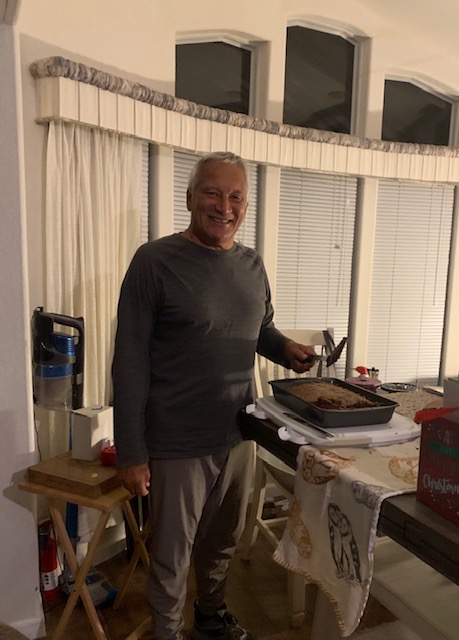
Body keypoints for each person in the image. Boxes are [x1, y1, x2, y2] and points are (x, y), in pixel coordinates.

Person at [112, 151, 316, 640]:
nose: (224, 207)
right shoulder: (154, 262)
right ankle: (167, 632)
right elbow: (129, 361)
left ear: (245, 205)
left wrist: (285, 348)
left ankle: (210, 616)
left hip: (239, 431)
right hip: (176, 440)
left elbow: (260, 328)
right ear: (189, 198)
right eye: (212, 193)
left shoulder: (251, 265)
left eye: (236, 197)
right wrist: (132, 452)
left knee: (223, 539)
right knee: (172, 553)